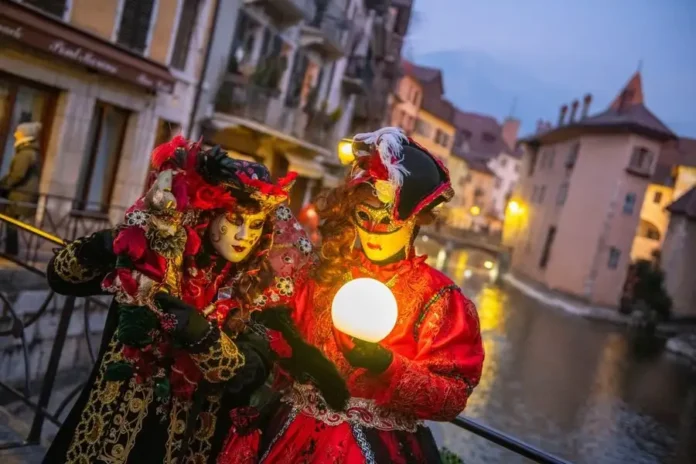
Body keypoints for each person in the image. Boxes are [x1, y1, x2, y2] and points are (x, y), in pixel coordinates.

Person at [43, 137, 345, 463]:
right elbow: (62, 277)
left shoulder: (259, 292)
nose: (245, 236)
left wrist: (203, 334)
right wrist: (108, 244)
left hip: (186, 445)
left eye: (256, 225)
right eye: (234, 221)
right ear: (210, 215)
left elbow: (250, 371)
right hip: (105, 430)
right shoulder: (160, 257)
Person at [219, 127, 485, 464]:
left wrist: (389, 367)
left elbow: (452, 397)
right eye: (363, 215)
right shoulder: (322, 273)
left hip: (377, 448)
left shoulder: (440, 300)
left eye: (386, 218)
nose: (372, 230)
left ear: (416, 219)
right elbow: (276, 336)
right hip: (290, 433)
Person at [0, 121, 41, 255]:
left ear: (24, 134)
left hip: (20, 195)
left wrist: (4, 185)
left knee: (11, 221)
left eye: (18, 131)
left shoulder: (26, 153)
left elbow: (17, 175)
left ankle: (11, 252)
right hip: (21, 194)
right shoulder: (29, 151)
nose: (15, 134)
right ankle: (11, 251)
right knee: (11, 222)